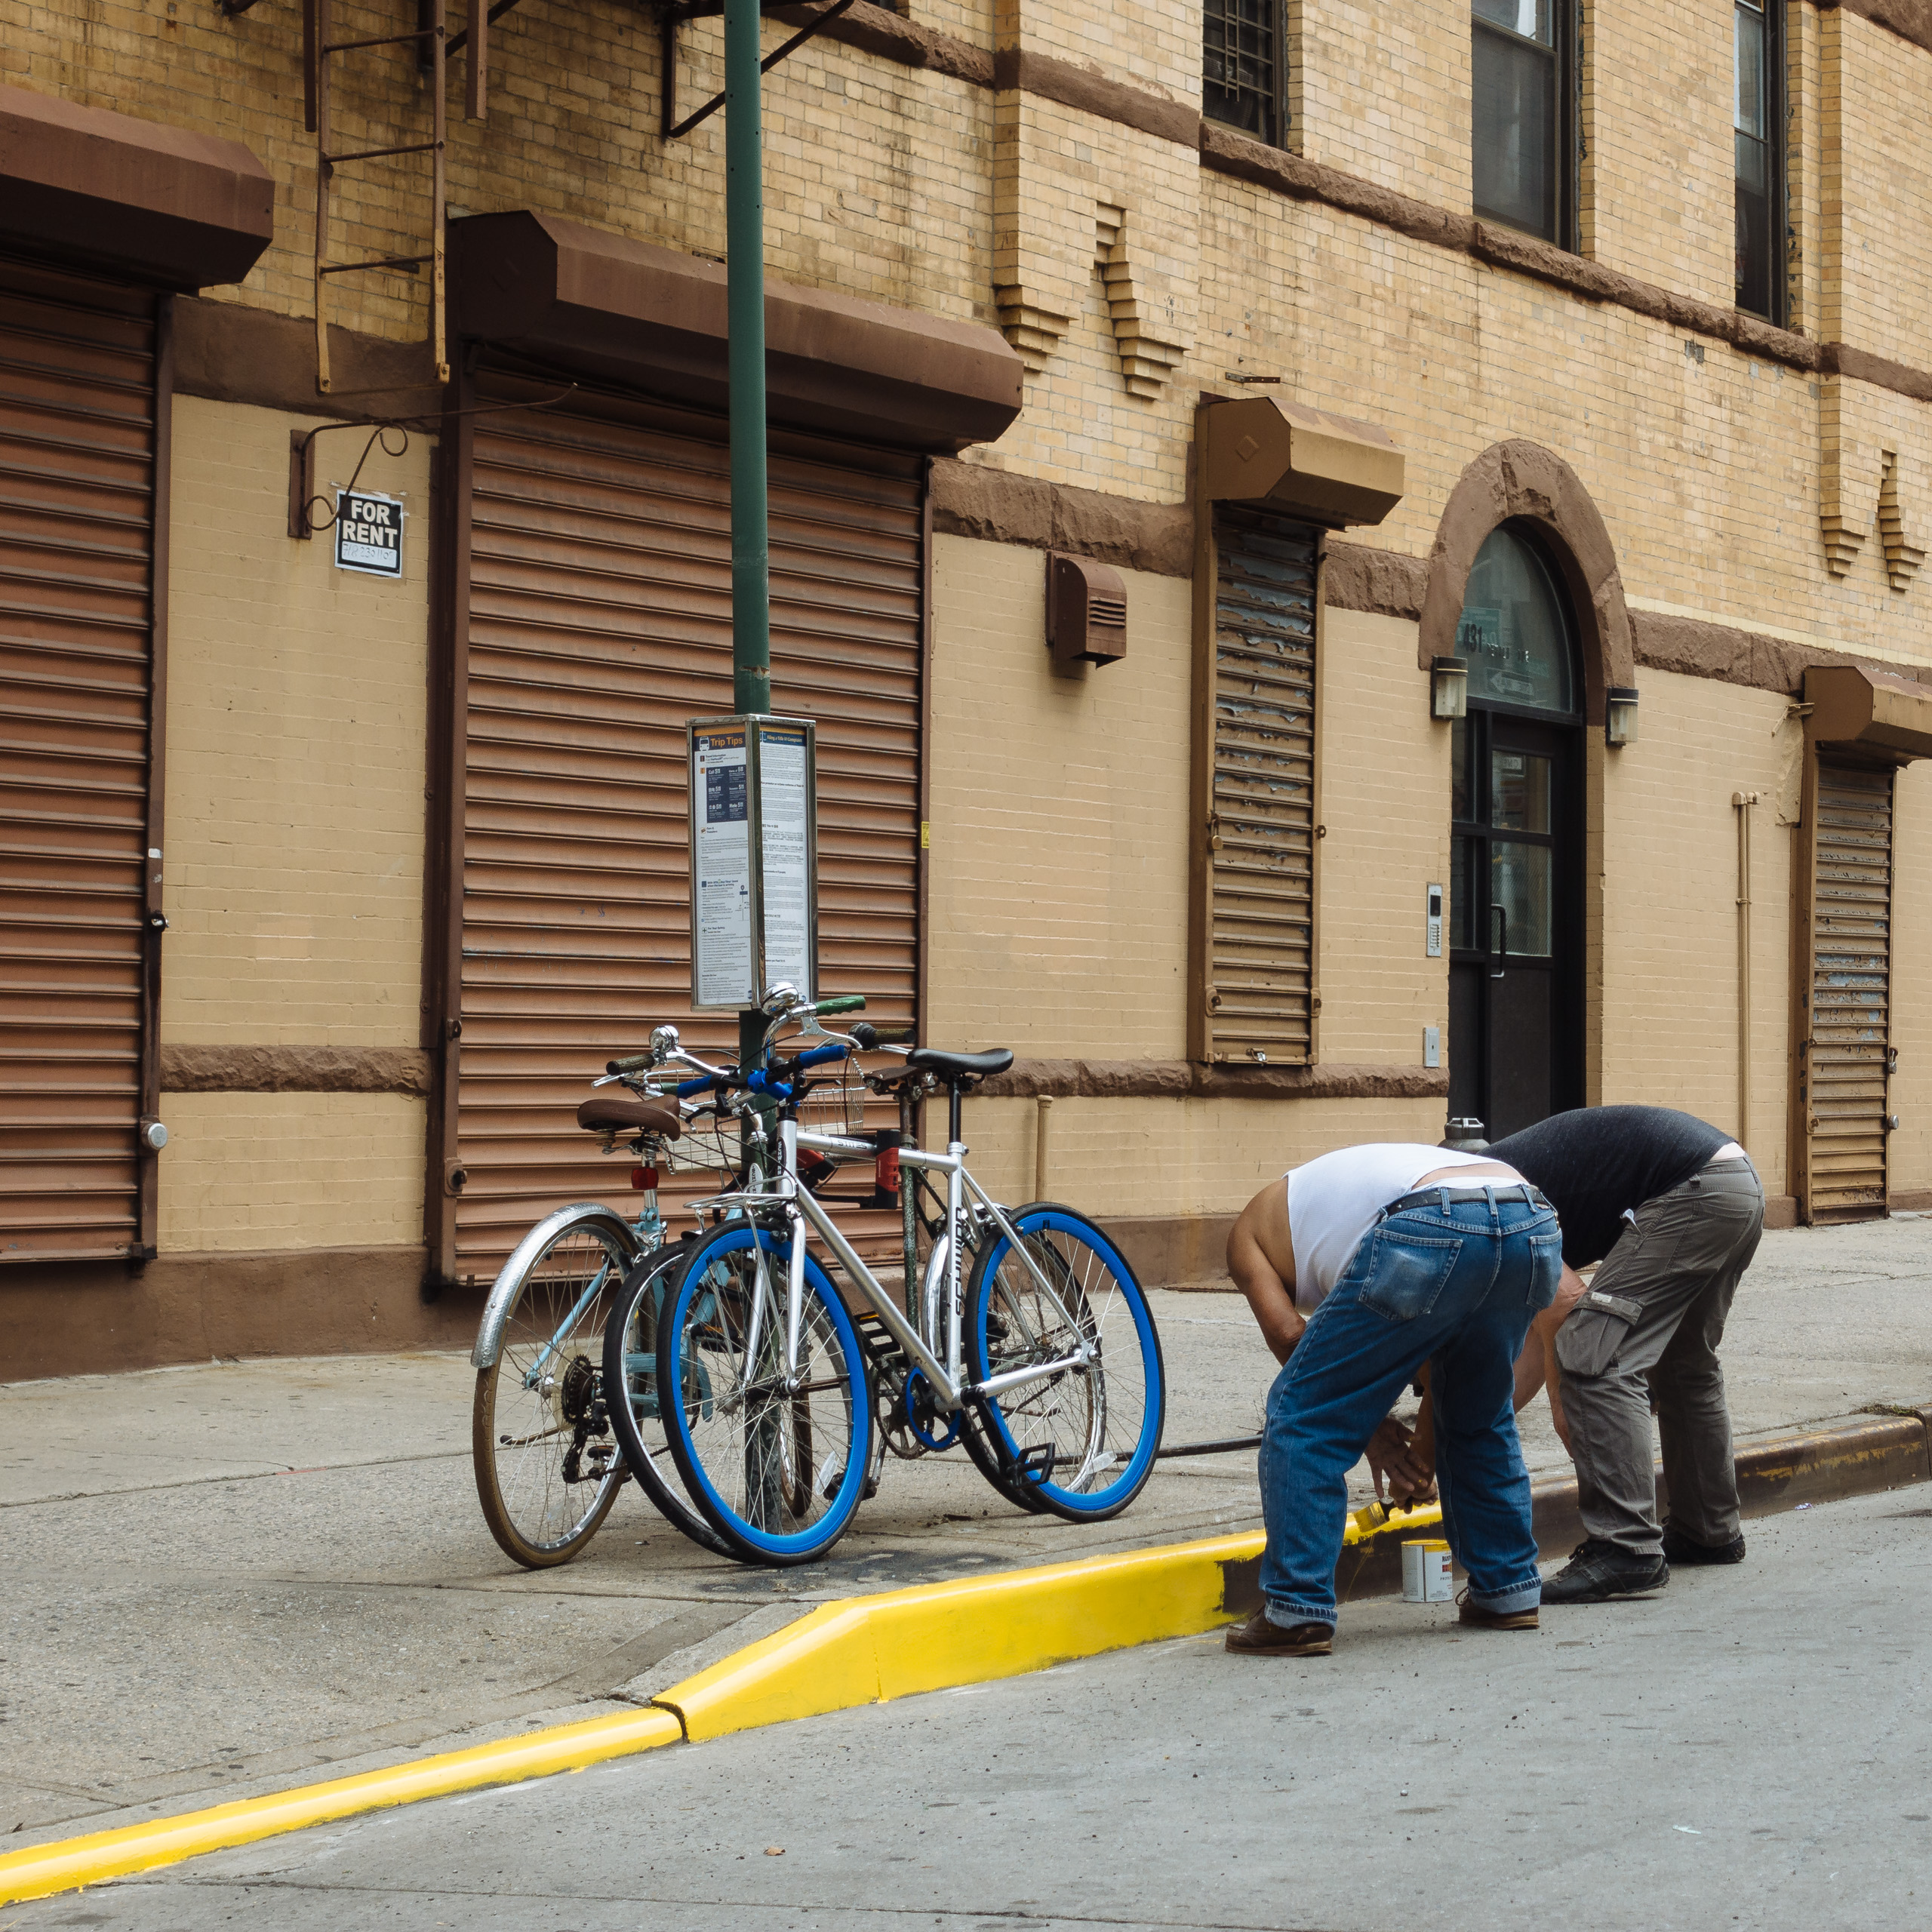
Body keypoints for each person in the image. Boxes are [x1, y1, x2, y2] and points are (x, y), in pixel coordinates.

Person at [1222, 1143, 1562, 1657]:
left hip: (1430, 1222)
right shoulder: (1328, 1207)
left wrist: (1375, 1435)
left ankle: (1295, 1612)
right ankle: (1508, 1590)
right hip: (1529, 1217)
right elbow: (1426, 1354)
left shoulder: (1246, 1238)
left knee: (1303, 1416)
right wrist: (1410, 1443)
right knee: (1479, 1412)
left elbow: (1291, 1337)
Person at [1483, 1105, 1764, 1604]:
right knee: (1684, 1363)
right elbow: (1536, 1336)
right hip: (1734, 1183)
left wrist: (1562, 1398)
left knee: (1597, 1352)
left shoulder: (1486, 1202)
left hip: (1692, 1189)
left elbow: (1567, 1310)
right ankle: (1707, 1529)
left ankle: (1626, 1547)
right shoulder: (1498, 1178)